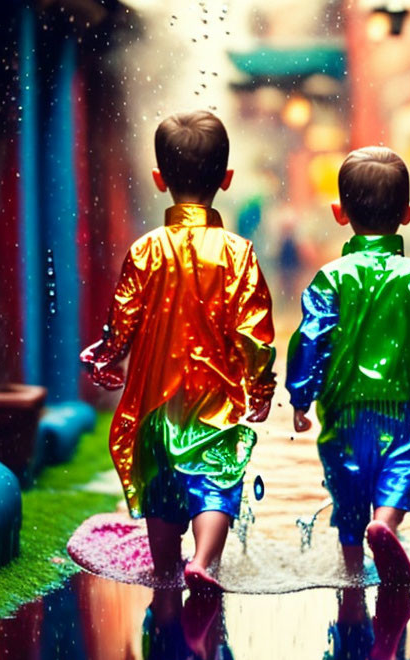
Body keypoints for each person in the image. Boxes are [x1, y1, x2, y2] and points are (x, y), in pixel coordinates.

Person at [80, 110, 276, 591]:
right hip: (215, 404)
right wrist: (261, 385)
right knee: (215, 485)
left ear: (159, 178)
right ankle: (205, 560)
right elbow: (255, 332)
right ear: (227, 180)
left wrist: (104, 354)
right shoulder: (238, 253)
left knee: (161, 494)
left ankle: (167, 570)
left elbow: (121, 318)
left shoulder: (145, 250)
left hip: (155, 406)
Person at [286, 146, 410, 583]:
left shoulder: (331, 276)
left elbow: (311, 336)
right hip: (402, 406)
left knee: (347, 491)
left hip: (343, 411)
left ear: (339, 212)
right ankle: (385, 524)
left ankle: (351, 576)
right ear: (409, 212)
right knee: (398, 473)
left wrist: (300, 396)